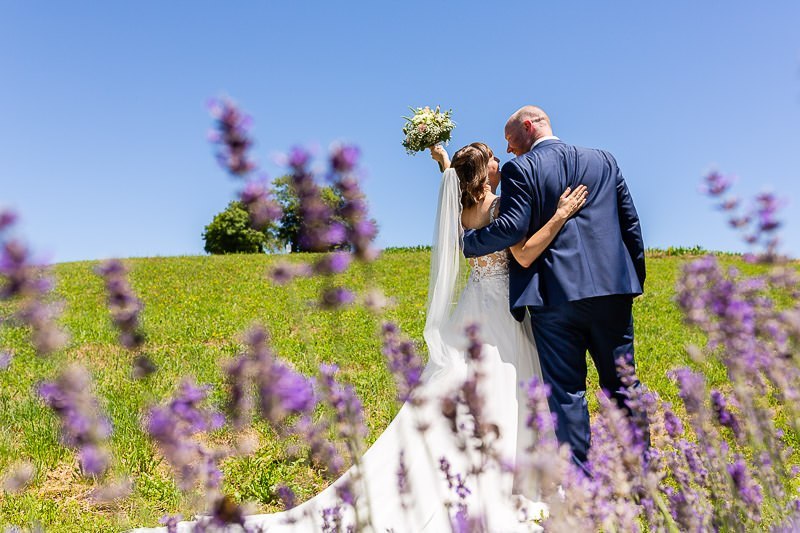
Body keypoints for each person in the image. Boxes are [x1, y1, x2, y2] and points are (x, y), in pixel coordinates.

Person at [132, 141, 586, 533]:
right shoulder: (499, 206)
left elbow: (453, 188)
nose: (498, 165)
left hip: (474, 304)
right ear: (485, 173)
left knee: (479, 386)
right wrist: (562, 213)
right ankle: (512, 479)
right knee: (503, 383)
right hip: (500, 309)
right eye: (491, 160)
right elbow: (522, 250)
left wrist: (444, 164)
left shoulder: (462, 208)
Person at [462, 106, 648, 471]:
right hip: (613, 293)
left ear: (528, 127)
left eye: (511, 140)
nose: (510, 150)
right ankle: (642, 472)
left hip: (554, 297)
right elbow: (630, 223)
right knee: (625, 384)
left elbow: (513, 228)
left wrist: (468, 243)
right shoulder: (604, 160)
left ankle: (582, 481)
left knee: (567, 394)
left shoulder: (522, 168)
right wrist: (631, 280)